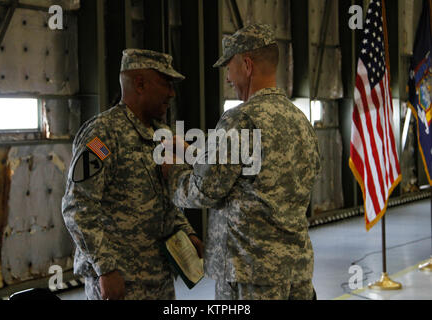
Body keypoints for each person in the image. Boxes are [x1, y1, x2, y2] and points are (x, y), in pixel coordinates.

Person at [163, 24, 321, 300]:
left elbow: (204, 190)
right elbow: (253, 174)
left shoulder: (241, 119)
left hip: (249, 276)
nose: (227, 78)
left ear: (247, 65)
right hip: (296, 272)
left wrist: (173, 172)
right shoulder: (300, 120)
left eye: (229, 67)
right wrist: (192, 152)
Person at [62, 49, 203, 300]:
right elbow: (78, 206)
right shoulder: (103, 135)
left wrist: (185, 230)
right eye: (166, 84)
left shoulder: (161, 134)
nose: (171, 93)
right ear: (140, 84)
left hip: (159, 277)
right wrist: (106, 269)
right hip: (121, 282)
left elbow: (164, 196)